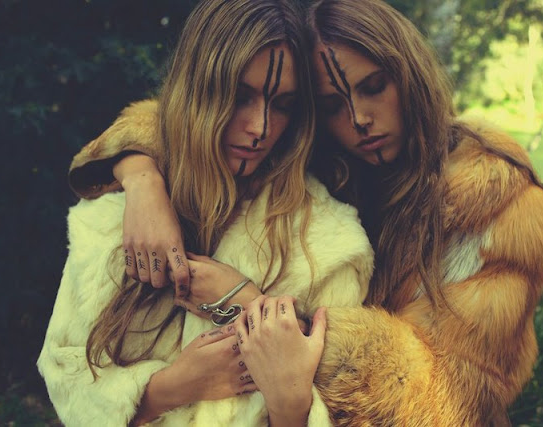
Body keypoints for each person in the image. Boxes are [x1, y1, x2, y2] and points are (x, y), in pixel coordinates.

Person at [64, 0, 543, 424]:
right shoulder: (317, 158)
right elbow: (192, 117)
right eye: (332, 105)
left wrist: (258, 311)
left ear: (409, 73)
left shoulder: (502, 209)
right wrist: (142, 177)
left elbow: (458, 400)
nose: (359, 118)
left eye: (374, 86)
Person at [37, 0, 374, 426]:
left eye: (283, 104)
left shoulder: (328, 244)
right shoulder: (112, 219)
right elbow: (64, 372)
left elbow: (343, 408)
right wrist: (173, 387)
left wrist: (251, 309)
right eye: (239, 96)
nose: (260, 128)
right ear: (197, 88)